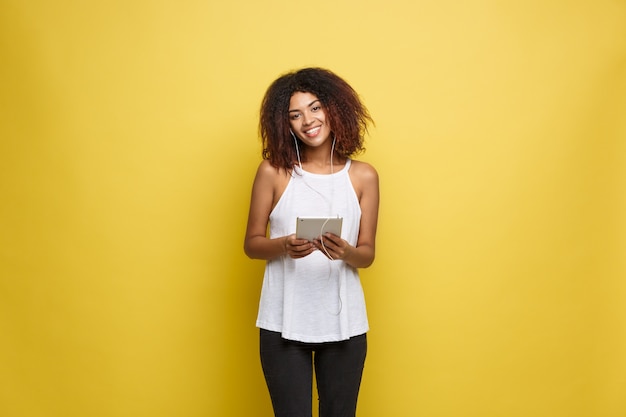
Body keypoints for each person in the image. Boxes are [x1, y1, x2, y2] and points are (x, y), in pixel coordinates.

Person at [244, 67, 379, 417]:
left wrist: (346, 252)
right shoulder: (273, 172)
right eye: (295, 114)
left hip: (345, 324)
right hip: (282, 321)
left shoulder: (363, 176)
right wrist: (284, 246)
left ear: (335, 109)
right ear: (284, 124)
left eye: (315, 108)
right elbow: (252, 243)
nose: (308, 120)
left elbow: (366, 255)